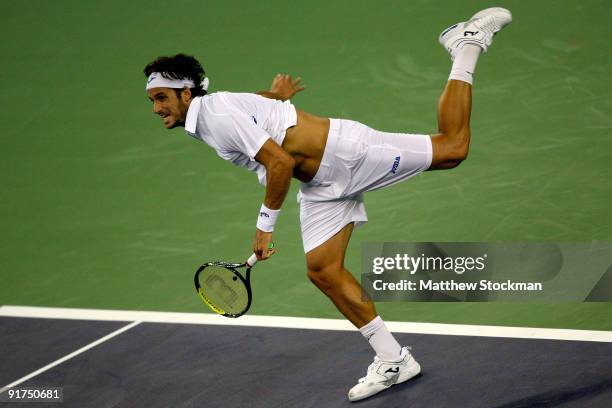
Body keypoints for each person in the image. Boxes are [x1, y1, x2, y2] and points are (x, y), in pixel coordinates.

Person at [144, 7, 512, 402]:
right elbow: (249, 107)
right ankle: (394, 359)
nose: (157, 108)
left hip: (347, 154)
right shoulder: (212, 110)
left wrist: (265, 226)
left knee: (453, 147)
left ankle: (466, 44)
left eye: (162, 97)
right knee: (323, 270)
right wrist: (275, 98)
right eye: (152, 100)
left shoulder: (213, 117)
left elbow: (280, 162)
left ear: (186, 92)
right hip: (321, 184)